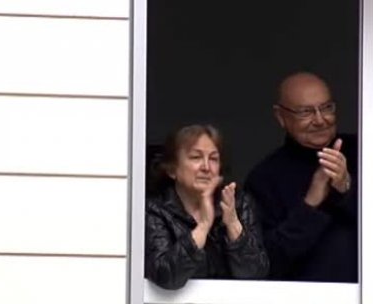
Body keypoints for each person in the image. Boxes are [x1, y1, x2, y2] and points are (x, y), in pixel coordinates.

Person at [245, 72, 358, 283]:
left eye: (327, 108)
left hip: (372, 303)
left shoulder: (363, 151)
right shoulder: (265, 178)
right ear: (281, 117)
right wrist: (310, 205)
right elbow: (265, 262)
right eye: (306, 112)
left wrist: (346, 187)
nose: (320, 120)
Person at [146, 124, 269, 290]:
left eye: (213, 159)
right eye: (196, 157)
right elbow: (166, 276)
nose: (206, 167)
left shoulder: (238, 203)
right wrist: (203, 226)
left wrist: (232, 223)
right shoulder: (155, 210)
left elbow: (255, 274)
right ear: (172, 169)